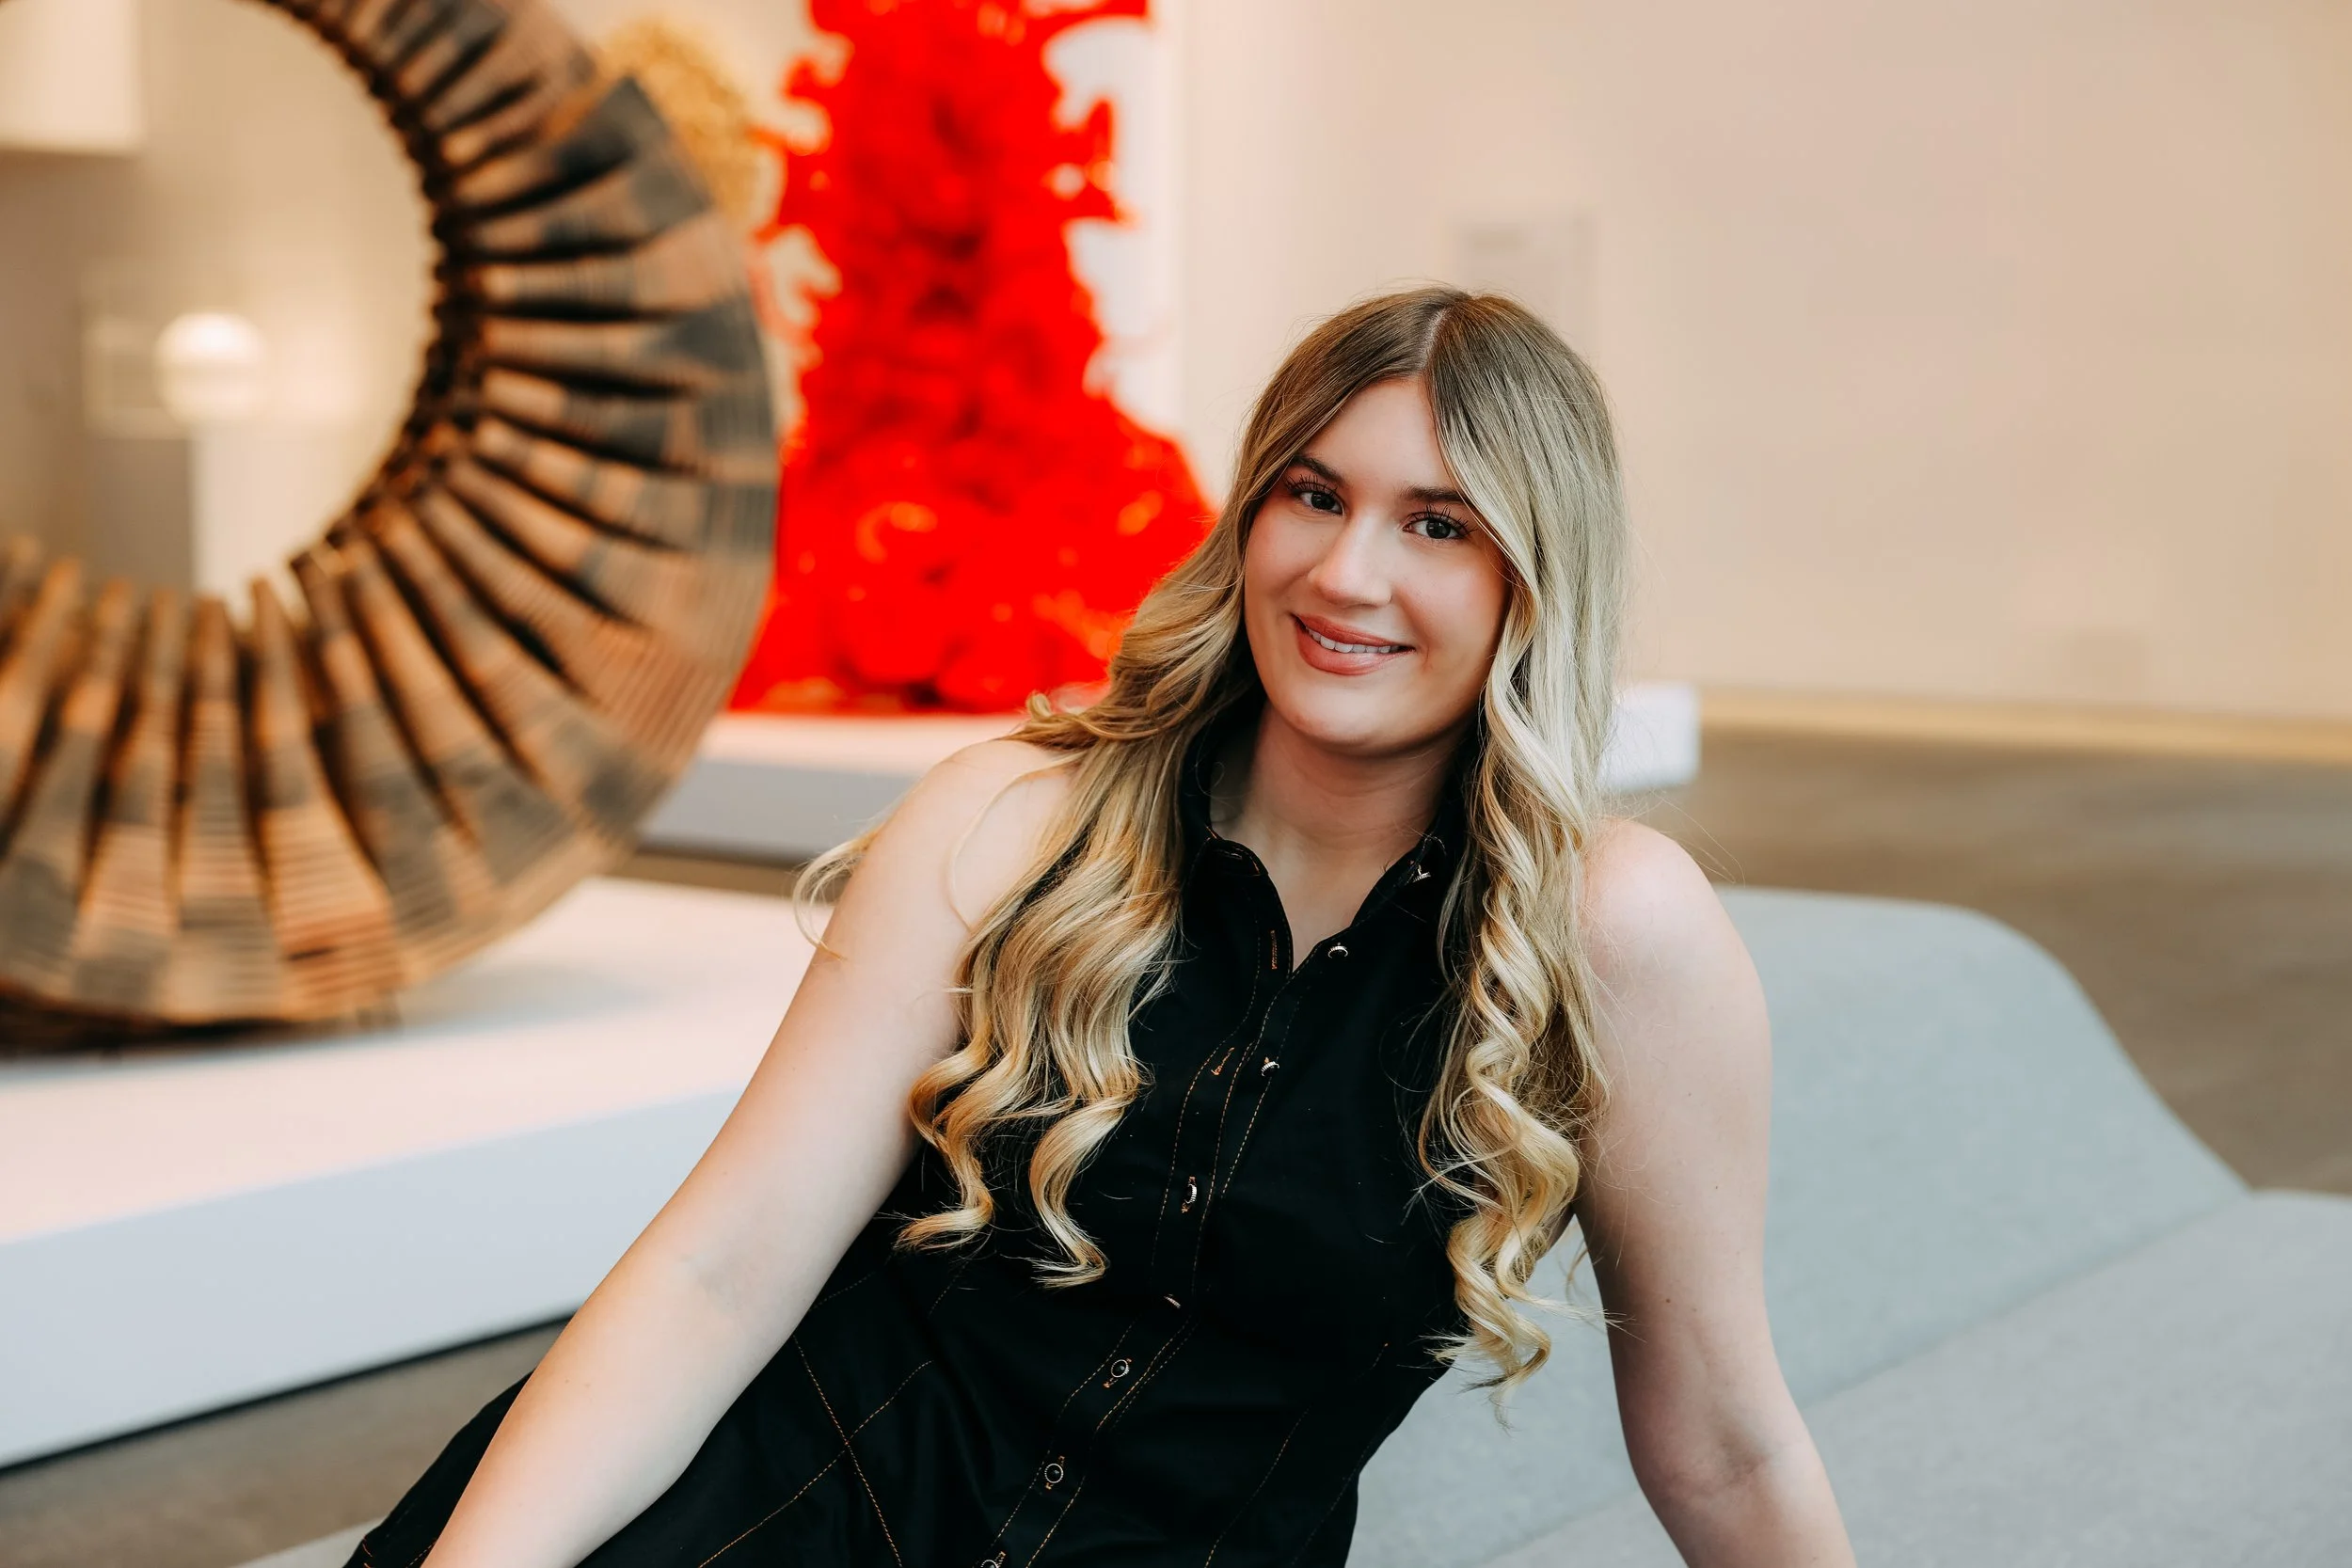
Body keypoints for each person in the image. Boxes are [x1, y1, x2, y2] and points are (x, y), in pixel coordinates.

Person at [353, 288, 1854, 1568]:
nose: (1347, 573)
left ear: (1533, 578)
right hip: (760, 1518)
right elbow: (723, 1267)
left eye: (1437, 524)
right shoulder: (1013, 819)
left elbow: (1722, 1442)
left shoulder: (1613, 930)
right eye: (1313, 493)